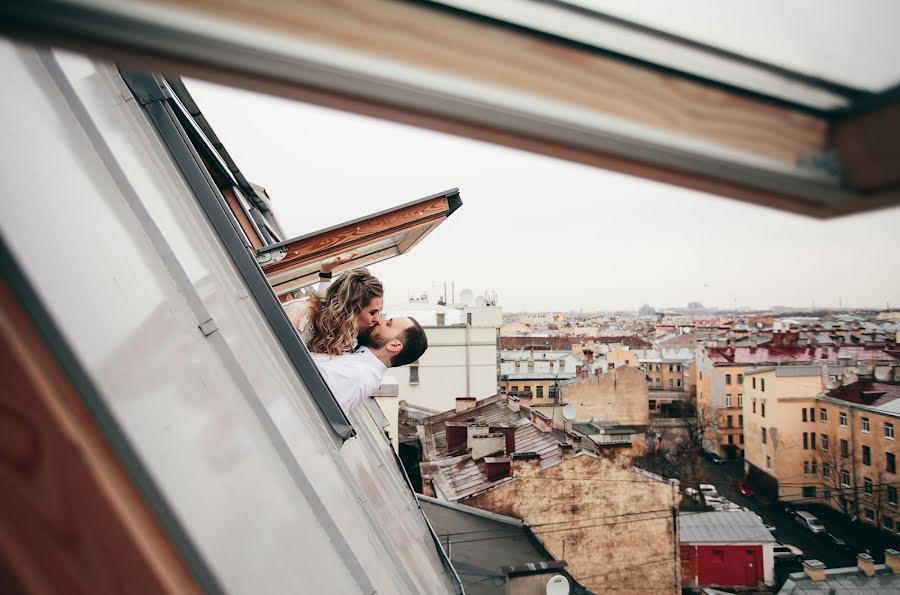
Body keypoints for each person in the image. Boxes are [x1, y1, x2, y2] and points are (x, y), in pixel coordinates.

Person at [312, 316, 428, 414]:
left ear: (394, 346)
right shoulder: (357, 365)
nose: (378, 320)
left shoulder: (356, 376)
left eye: (388, 324)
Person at [283, 253, 383, 355]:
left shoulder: (331, 321)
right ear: (351, 309)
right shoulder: (298, 315)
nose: (377, 320)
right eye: (373, 313)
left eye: (379, 312)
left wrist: (325, 270)